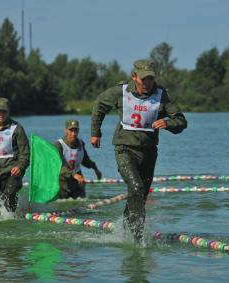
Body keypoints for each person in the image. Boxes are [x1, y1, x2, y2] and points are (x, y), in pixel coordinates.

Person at [90, 59, 187, 243]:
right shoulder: (121, 91)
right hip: (124, 149)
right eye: (143, 79)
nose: (147, 83)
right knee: (136, 187)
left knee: (140, 197)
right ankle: (138, 239)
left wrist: (167, 123)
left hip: (149, 152)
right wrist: (95, 133)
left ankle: (125, 230)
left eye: (150, 79)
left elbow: (181, 121)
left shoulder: (162, 95)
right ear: (134, 77)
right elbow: (99, 104)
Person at [54, 119, 102, 199]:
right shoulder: (58, 145)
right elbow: (57, 166)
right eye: (71, 130)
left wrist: (95, 169)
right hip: (62, 181)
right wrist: (73, 174)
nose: (73, 133)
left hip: (77, 181)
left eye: (75, 130)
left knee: (80, 205)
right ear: (65, 130)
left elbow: (85, 160)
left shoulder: (80, 143)